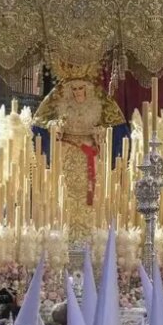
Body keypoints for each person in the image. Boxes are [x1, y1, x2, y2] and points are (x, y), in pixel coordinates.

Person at [33, 61, 127, 244]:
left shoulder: (99, 103)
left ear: (88, 89)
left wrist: (100, 133)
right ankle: (64, 231)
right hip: (65, 155)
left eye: (81, 88)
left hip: (89, 155)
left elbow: (113, 130)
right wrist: (55, 128)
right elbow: (41, 125)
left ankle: (89, 231)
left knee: (91, 193)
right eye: (74, 89)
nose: (77, 93)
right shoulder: (58, 102)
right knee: (64, 192)